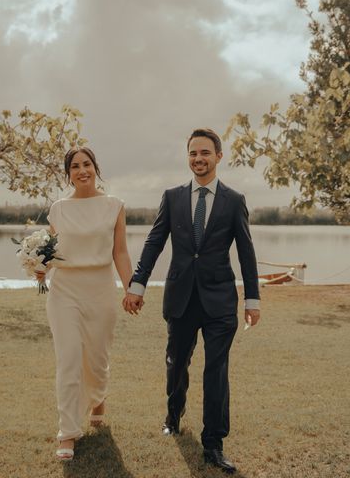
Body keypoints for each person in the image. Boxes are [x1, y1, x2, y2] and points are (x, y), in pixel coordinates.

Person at [123, 128, 260, 474]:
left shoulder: (233, 200)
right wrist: (137, 284)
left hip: (220, 302)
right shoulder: (172, 198)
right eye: (193, 153)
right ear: (188, 157)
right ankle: (173, 415)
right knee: (176, 363)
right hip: (181, 298)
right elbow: (154, 243)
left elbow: (246, 252)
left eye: (205, 153)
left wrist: (252, 299)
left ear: (218, 156)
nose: (198, 159)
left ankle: (213, 443)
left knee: (216, 371)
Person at [41, 146, 134, 461]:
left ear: (96, 168)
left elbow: (119, 252)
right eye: (75, 166)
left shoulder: (114, 206)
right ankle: (67, 432)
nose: (82, 170)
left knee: (96, 359)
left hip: (100, 289)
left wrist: (131, 288)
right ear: (68, 174)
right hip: (64, 291)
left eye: (87, 164)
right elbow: (52, 252)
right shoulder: (58, 209)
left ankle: (98, 397)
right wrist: (38, 267)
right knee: (68, 359)